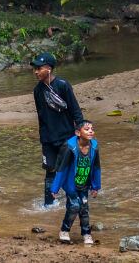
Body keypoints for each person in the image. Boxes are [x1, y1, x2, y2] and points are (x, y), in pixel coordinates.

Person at [32, 52, 84, 207]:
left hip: (66, 137)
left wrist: (80, 129)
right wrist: (42, 138)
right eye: (35, 68)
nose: (35, 71)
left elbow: (75, 109)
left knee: (69, 170)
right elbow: (41, 116)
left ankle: (75, 201)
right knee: (50, 171)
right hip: (48, 139)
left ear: (49, 69)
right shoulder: (37, 90)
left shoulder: (62, 85)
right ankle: (49, 204)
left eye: (39, 68)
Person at [51, 119, 100, 245]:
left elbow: (96, 167)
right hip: (71, 184)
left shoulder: (94, 146)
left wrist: (96, 186)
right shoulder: (70, 147)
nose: (90, 131)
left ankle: (86, 233)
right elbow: (61, 168)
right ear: (78, 133)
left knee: (84, 208)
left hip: (84, 183)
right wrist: (55, 188)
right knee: (74, 206)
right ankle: (64, 230)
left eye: (92, 129)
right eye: (87, 129)